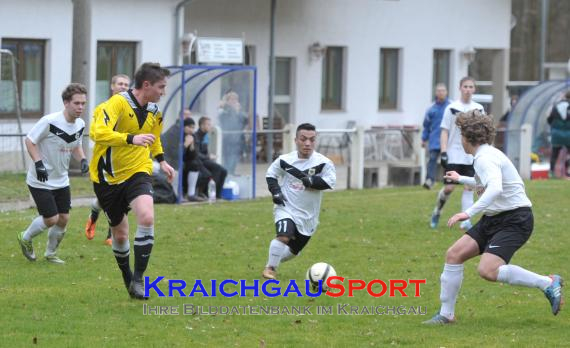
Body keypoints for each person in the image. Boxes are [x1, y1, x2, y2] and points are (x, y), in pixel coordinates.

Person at [423, 110, 563, 324]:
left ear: (467, 137)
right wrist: (462, 179)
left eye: (460, 134)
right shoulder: (486, 154)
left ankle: (547, 282)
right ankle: (446, 315)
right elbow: (488, 183)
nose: (459, 139)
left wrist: (467, 212)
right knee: (454, 255)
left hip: (515, 220)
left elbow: (495, 188)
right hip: (495, 218)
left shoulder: (485, 158)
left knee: (487, 270)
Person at [89, 63, 175, 299]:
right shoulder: (116, 103)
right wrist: (131, 138)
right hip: (107, 178)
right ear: (146, 85)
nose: (163, 91)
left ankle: (139, 279)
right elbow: (97, 132)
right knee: (120, 234)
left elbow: (154, 138)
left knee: (147, 216)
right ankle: (128, 278)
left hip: (138, 170)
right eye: (161, 86)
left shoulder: (155, 111)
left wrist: (162, 161)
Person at [17, 83, 89, 264]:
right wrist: (38, 163)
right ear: (66, 103)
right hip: (40, 179)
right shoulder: (50, 121)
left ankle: (50, 254)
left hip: (61, 180)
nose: (81, 107)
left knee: (63, 219)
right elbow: (30, 141)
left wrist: (83, 160)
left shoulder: (80, 124)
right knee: (51, 219)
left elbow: (76, 145)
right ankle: (25, 237)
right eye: (77, 103)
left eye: (83, 103)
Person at [262, 123, 336, 280]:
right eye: (303, 139)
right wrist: (276, 192)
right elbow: (271, 174)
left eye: (311, 140)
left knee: (293, 251)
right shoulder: (284, 160)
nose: (307, 143)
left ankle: (273, 259)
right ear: (296, 140)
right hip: (286, 207)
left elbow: (330, 182)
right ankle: (270, 269)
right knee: (283, 236)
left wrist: (312, 181)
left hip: (308, 216)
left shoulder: (324, 163)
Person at [430, 77, 484, 230]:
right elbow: (444, 131)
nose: (468, 89)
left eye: (470, 87)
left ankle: (466, 221)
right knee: (449, 188)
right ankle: (437, 211)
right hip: (454, 154)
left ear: (474, 89)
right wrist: (444, 151)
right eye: (465, 86)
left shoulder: (479, 109)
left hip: (471, 155)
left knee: (469, 187)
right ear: (460, 88)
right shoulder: (451, 108)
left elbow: (483, 131)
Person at [85, 74, 131, 245]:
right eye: (120, 83)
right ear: (112, 86)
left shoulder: (132, 110)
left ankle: (110, 236)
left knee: (126, 198)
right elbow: (94, 134)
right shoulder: (102, 108)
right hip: (105, 162)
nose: (123, 87)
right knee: (107, 198)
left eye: (127, 84)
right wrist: (119, 137)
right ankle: (94, 214)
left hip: (125, 161)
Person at [421, 83, 450, 189]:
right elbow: (426, 125)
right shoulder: (431, 109)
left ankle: (449, 180)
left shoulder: (451, 107)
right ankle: (430, 180)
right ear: (435, 93)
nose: (441, 92)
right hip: (434, 140)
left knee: (448, 161)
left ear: (446, 92)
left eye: (443, 90)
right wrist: (424, 138)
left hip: (448, 140)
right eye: (439, 90)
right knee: (432, 159)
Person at [194, 116, 227, 198]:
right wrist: (208, 157)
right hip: (199, 161)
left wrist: (208, 156)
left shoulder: (205, 136)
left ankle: (218, 195)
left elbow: (204, 151)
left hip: (204, 160)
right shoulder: (196, 136)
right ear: (202, 125)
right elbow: (196, 153)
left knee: (224, 171)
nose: (210, 126)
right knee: (217, 169)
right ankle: (210, 193)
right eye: (208, 124)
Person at [219, 91, 248, 175]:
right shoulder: (224, 110)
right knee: (228, 162)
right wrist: (234, 111)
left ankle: (231, 175)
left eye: (236, 99)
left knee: (234, 162)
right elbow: (224, 121)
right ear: (227, 101)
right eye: (232, 99)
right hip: (228, 141)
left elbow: (245, 121)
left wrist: (238, 112)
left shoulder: (238, 111)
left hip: (238, 141)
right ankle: (227, 177)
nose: (234, 101)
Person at [547, 90, 570, 178]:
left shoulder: (556, 106)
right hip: (568, 134)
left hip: (556, 133)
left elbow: (549, 119)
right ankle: (568, 171)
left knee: (555, 154)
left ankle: (551, 173)